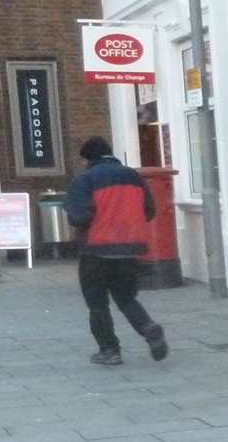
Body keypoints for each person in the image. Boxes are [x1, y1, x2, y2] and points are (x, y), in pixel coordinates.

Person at [64, 136, 168, 366]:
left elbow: (80, 216)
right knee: (126, 298)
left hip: (96, 251)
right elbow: (148, 211)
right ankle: (148, 327)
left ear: (89, 158)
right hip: (129, 250)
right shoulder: (134, 176)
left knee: (98, 304)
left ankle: (109, 350)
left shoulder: (85, 179)